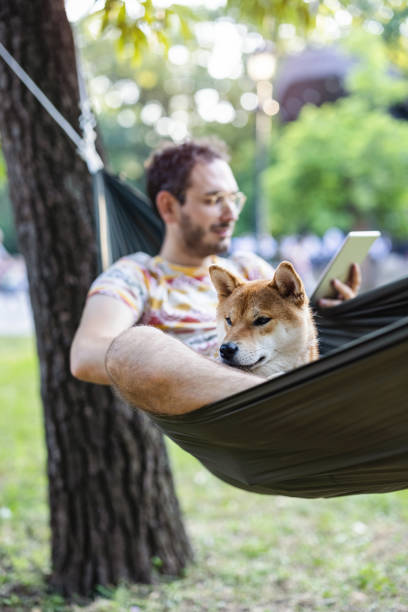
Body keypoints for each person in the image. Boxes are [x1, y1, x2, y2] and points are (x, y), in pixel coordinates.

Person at [70, 140, 360, 415]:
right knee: (134, 344)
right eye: (214, 200)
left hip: (292, 388)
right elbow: (86, 356)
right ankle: (276, 399)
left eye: (234, 199)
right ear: (169, 206)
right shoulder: (136, 275)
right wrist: (188, 361)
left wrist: (329, 309)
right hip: (223, 409)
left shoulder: (250, 270)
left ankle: (285, 400)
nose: (230, 212)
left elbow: (293, 334)